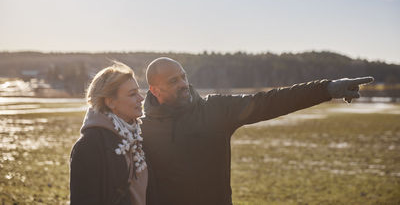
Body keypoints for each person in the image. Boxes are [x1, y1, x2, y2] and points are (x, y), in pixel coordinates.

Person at [141, 57, 374, 205]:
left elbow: (269, 102)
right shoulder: (141, 127)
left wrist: (326, 89)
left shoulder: (215, 110)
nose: (183, 83)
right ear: (155, 89)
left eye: (183, 76)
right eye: (173, 81)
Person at [70, 61, 148, 205]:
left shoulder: (138, 137)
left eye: (138, 91)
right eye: (133, 94)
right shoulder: (89, 146)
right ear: (110, 102)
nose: (141, 98)